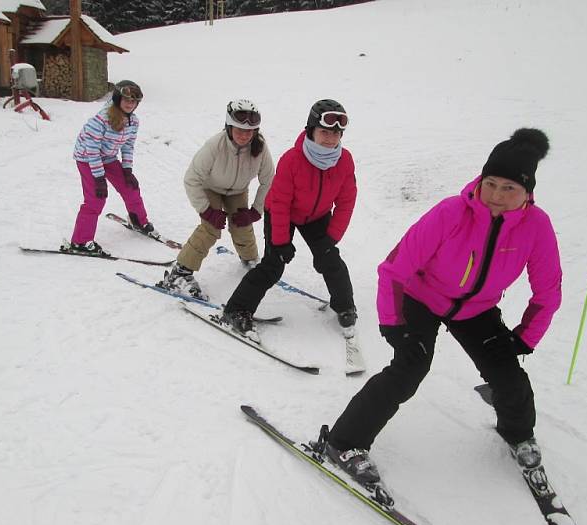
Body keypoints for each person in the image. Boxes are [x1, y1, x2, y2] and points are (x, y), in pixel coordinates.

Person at [325, 128, 561, 486]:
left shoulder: (537, 227)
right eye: (491, 183)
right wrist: (394, 323)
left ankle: (517, 433)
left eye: (509, 188)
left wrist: (526, 337)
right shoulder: (451, 212)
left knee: (509, 376)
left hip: (476, 310)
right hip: (423, 297)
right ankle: (344, 441)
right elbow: (393, 270)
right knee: (409, 368)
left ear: (527, 193)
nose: (496, 196)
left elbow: (548, 291)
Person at [221, 99, 358, 341]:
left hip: (317, 216)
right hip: (281, 212)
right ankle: (236, 310)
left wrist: (331, 238)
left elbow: (346, 201)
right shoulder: (292, 160)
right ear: (310, 130)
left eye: (336, 133)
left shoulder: (344, 161)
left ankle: (345, 306)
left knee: (330, 259)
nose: (330, 138)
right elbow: (281, 203)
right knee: (273, 265)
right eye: (324, 132)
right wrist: (282, 242)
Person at [158, 99, 274, 300]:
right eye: (239, 129)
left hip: (237, 190)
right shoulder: (215, 145)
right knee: (210, 228)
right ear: (229, 126)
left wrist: (256, 210)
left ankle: (250, 260)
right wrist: (206, 210)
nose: (245, 135)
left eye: (250, 131)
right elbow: (191, 179)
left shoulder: (260, 148)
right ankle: (180, 272)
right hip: (211, 187)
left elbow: (269, 181)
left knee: (241, 225)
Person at [67, 80, 155, 257]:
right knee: (95, 199)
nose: (130, 104)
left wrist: (127, 170)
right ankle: (80, 241)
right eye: (126, 100)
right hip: (87, 158)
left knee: (130, 187)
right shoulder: (101, 120)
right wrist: (99, 179)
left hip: (108, 157)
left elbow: (128, 146)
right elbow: (92, 150)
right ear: (117, 98)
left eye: (134, 101)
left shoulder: (133, 122)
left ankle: (139, 221)